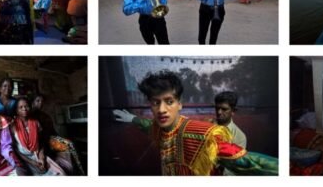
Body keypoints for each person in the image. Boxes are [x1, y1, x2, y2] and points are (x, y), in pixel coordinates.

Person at [112, 71, 277, 175]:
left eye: (169, 101)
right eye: (155, 103)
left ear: (180, 104)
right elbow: (149, 126)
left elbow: (249, 162)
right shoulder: (160, 129)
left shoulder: (203, 134)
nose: (161, 109)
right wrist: (132, 119)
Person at [11, 97, 69, 175]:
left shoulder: (36, 123)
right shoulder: (13, 126)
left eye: (26, 106)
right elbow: (15, 150)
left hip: (37, 155)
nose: (24, 108)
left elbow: (40, 143)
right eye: (20, 107)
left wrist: (42, 158)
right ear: (16, 111)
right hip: (24, 159)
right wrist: (32, 162)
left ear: (30, 107)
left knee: (60, 173)